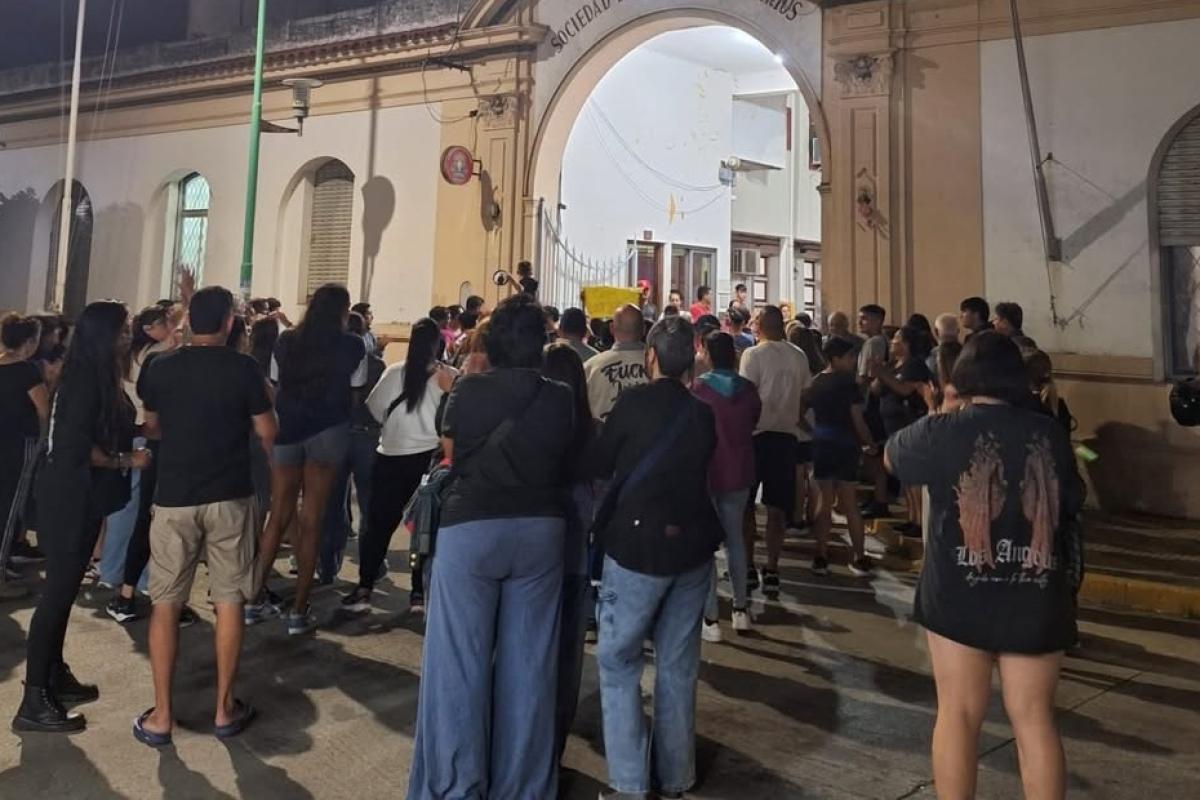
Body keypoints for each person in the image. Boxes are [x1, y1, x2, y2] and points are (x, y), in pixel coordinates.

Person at [885, 331, 1085, 800]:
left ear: (961, 378)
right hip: (1035, 591)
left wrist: (943, 407)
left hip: (959, 592)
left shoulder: (945, 429)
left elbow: (892, 457)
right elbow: (1073, 499)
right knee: (1035, 719)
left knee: (958, 713)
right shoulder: (1050, 434)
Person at [406, 295, 576, 800]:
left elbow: (452, 456)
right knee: (531, 666)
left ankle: (456, 785)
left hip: (472, 529)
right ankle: (523, 786)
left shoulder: (469, 390)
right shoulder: (561, 397)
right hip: (542, 532)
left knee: (459, 663)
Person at [130, 286, 276, 747]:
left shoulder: (160, 367)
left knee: (166, 602)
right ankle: (223, 709)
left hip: (174, 495)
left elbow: (153, 426)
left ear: (189, 320)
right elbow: (268, 430)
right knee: (229, 599)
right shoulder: (244, 369)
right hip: (230, 494)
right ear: (230, 323)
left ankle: (162, 715)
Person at [590, 315, 722, 800]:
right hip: (693, 547)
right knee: (678, 665)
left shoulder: (632, 405)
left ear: (650, 358)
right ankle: (676, 776)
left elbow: (602, 462)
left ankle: (629, 782)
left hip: (637, 547)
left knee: (619, 660)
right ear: (692, 363)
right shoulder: (702, 414)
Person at [13, 301, 150, 733]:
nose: (128, 337)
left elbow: (103, 430)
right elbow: (78, 447)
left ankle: (53, 674)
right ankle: (34, 699)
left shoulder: (95, 376)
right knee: (56, 596)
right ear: (103, 335)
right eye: (123, 330)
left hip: (82, 498)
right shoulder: (83, 381)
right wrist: (127, 460)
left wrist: (141, 433)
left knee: (65, 591)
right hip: (68, 498)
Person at [249, 284, 367, 635]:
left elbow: (274, 383)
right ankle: (299, 610)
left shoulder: (286, 341)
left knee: (278, 515)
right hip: (328, 430)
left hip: (288, 429)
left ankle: (252, 600)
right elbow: (356, 391)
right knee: (312, 518)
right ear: (343, 310)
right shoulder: (353, 345)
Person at [341, 319, 456, 614]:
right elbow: (454, 419)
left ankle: (365, 588)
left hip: (390, 456)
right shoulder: (449, 377)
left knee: (378, 526)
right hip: (427, 461)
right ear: (439, 344)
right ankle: (418, 594)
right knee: (422, 528)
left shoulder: (394, 372)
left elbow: (375, 408)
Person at [105, 305, 181, 622]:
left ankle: (118, 579)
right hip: (150, 441)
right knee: (145, 517)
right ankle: (143, 583)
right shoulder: (155, 355)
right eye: (165, 322)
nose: (172, 327)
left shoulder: (139, 354)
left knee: (131, 514)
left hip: (141, 439)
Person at [541, 342, 596, 761]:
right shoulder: (591, 431)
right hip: (576, 558)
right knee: (566, 659)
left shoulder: (533, 427)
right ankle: (554, 749)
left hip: (534, 557)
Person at [740, 305, 812, 594]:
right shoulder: (799, 355)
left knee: (747, 507)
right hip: (785, 438)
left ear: (761, 325)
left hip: (756, 437)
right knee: (777, 509)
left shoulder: (752, 355)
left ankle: (747, 565)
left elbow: (746, 396)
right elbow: (805, 395)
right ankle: (772, 567)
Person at [693, 332, 761, 639]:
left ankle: (710, 618)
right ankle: (741, 608)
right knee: (736, 540)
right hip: (739, 471)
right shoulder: (748, 389)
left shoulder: (699, 389)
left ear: (707, 354)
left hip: (707, 472)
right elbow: (753, 422)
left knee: (706, 545)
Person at [319, 311, 386, 585]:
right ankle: (371, 566)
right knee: (369, 504)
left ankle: (327, 566)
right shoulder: (377, 365)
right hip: (367, 436)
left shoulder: (327, 362)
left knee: (332, 503)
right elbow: (381, 405)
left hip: (335, 434)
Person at [803, 338, 875, 576]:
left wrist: (813, 432)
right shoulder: (848, 384)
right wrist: (870, 443)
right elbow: (857, 419)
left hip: (823, 443)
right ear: (836, 358)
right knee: (850, 503)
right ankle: (859, 556)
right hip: (846, 444)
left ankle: (821, 555)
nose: (853, 361)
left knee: (824, 501)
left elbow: (798, 412)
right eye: (850, 357)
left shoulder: (816, 382)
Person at [0, 315, 49, 596]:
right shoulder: (27, 371)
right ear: (29, 342)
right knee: (9, 509)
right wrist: (44, 441)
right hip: (18, 446)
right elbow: (44, 410)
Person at [870, 325, 933, 537]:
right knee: (904, 475)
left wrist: (883, 374)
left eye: (896, 339)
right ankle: (911, 517)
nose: (891, 342)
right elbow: (876, 390)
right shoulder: (892, 364)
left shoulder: (914, 365)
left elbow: (905, 390)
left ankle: (919, 520)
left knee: (913, 475)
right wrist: (878, 373)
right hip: (892, 426)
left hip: (909, 423)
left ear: (906, 343)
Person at [584, 304, 649, 421]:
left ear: (612, 328)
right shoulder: (658, 366)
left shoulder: (591, 367)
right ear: (644, 329)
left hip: (603, 431)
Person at [857, 304, 891, 518]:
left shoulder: (874, 342)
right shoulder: (881, 341)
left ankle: (880, 498)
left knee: (873, 452)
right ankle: (878, 496)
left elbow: (865, 376)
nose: (860, 322)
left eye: (864, 318)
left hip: (871, 403)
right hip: (876, 403)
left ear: (877, 320)